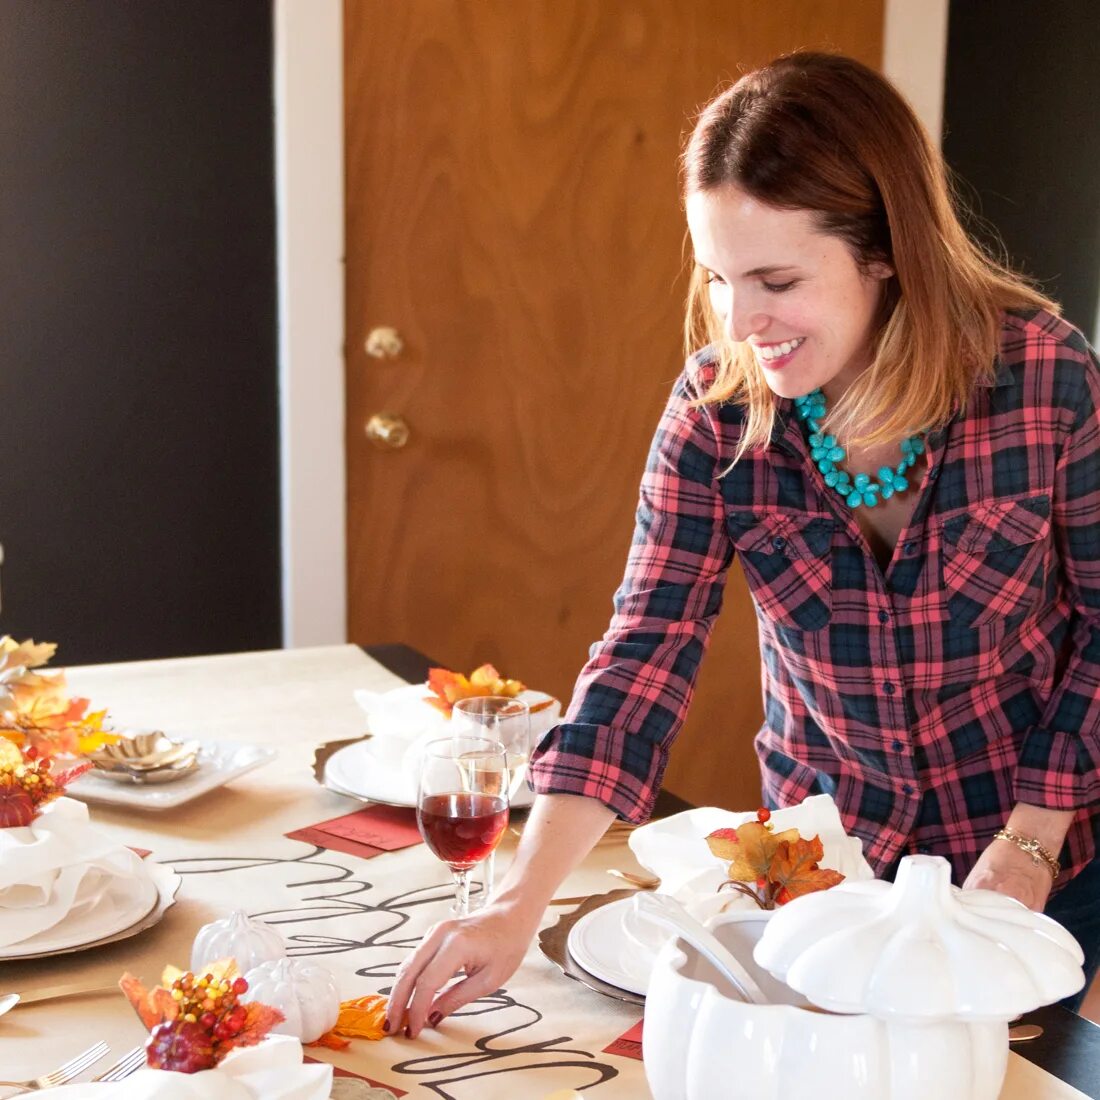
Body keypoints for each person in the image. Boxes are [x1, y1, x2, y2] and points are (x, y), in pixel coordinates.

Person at [384, 51, 1100, 1037]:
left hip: (1024, 862)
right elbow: (640, 658)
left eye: (773, 278)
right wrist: (517, 897)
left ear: (884, 249)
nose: (738, 320)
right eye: (716, 277)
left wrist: (1031, 837)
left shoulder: (1042, 379)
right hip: (820, 883)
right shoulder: (715, 413)